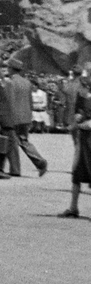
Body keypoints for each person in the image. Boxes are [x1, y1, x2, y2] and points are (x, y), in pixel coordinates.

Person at [5, 60, 48, 178]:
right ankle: (40, 162)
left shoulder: (10, 83)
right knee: (24, 141)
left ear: (11, 69)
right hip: (26, 117)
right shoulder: (27, 82)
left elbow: (10, 102)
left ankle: (15, 169)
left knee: (12, 143)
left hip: (14, 117)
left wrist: (7, 118)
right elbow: (30, 101)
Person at [59, 71, 91, 218]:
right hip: (84, 139)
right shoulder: (82, 94)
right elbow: (79, 111)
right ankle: (73, 207)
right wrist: (78, 117)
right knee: (77, 171)